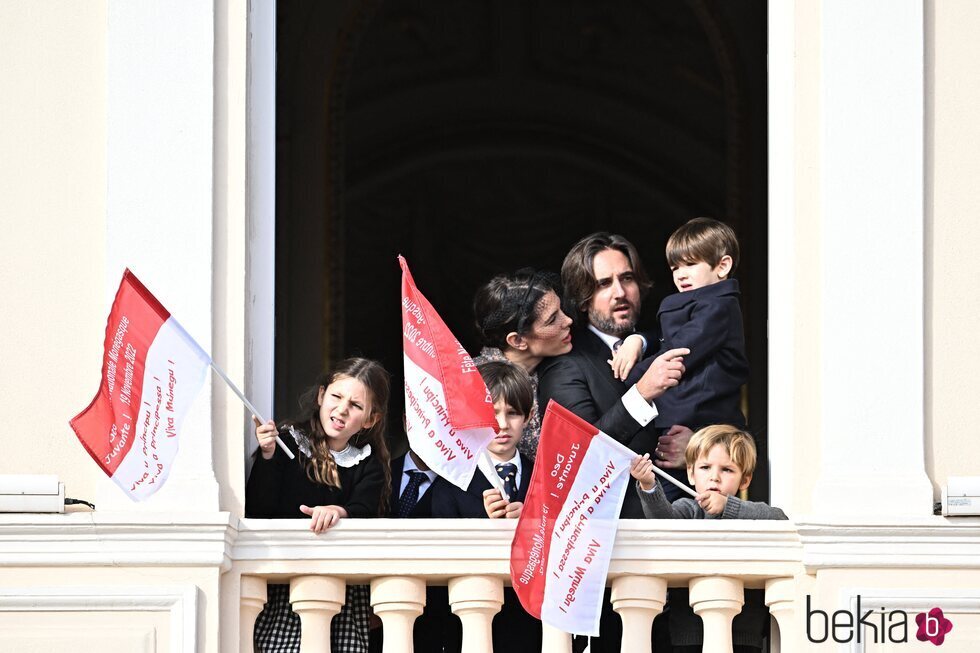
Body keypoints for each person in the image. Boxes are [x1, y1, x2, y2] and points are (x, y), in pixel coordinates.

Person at [537, 232, 692, 517]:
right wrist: (641, 394)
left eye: (628, 278)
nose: (620, 292)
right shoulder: (564, 366)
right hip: (621, 536)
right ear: (583, 299)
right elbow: (580, 459)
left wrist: (697, 451)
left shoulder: (666, 341)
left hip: (697, 524)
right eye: (604, 284)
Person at [246, 358, 392, 653]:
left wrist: (340, 512)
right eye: (336, 397)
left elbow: (364, 510)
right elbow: (260, 507)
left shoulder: (368, 463)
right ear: (321, 395)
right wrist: (268, 454)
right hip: (285, 582)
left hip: (342, 591)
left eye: (356, 405)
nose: (341, 409)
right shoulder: (288, 443)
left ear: (370, 419)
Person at [630, 425, 786, 652]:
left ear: (745, 481)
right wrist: (648, 485)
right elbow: (664, 523)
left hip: (744, 632)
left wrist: (728, 506)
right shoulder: (688, 509)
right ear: (691, 474)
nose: (714, 477)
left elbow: (779, 519)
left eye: (727, 470)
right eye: (705, 467)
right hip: (688, 630)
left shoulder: (748, 511)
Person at [431, 360, 541, 653]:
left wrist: (532, 524)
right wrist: (484, 522)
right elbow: (439, 558)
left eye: (513, 413)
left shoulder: (545, 480)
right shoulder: (451, 483)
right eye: (492, 414)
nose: (502, 425)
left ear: (529, 417)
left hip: (535, 630)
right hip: (472, 628)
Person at [622, 218, 749, 435]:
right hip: (685, 412)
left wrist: (629, 378)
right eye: (675, 268)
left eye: (690, 264)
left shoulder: (718, 307)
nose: (681, 274)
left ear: (722, 266)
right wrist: (638, 340)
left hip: (701, 416)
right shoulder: (699, 304)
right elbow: (667, 338)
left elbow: (680, 350)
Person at [471, 269, 573, 460]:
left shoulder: (558, 365)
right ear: (517, 341)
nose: (568, 321)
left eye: (562, 311)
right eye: (552, 320)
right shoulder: (474, 384)